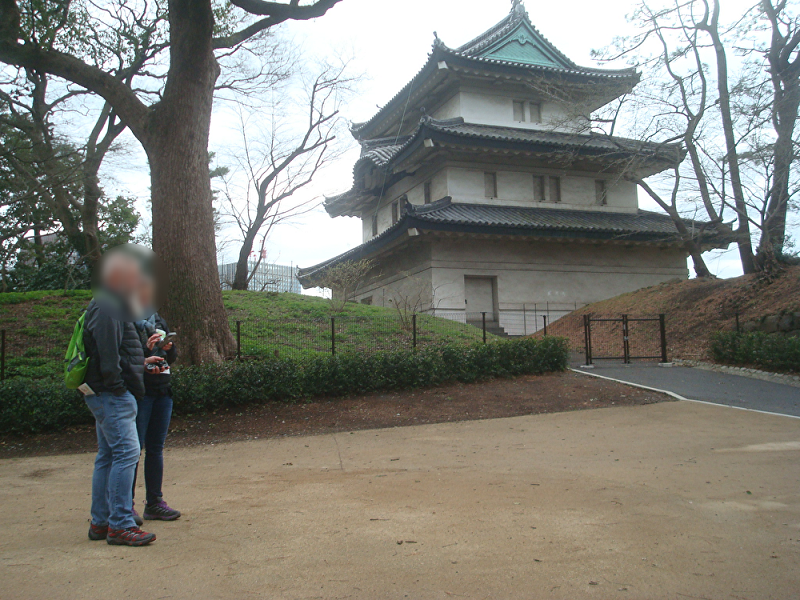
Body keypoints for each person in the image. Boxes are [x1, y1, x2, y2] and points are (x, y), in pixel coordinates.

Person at [83, 247, 157, 546]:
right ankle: (120, 524)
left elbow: (119, 351)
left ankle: (102, 521)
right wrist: (118, 387)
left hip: (108, 391)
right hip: (112, 394)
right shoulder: (108, 305)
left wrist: (141, 363)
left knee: (108, 456)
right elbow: (108, 355)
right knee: (126, 453)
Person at [131, 312, 181, 522]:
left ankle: (154, 502)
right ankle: (126, 505)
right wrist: (146, 351)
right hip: (142, 394)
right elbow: (126, 358)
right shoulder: (127, 322)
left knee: (155, 449)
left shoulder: (159, 319)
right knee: (133, 450)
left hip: (163, 390)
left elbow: (172, 358)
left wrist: (169, 349)